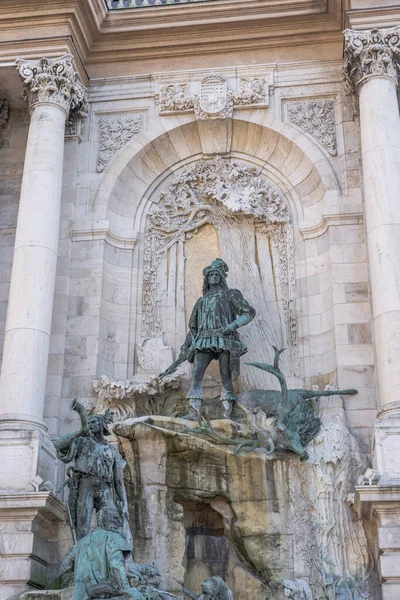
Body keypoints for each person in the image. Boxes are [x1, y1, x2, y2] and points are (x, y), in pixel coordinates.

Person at [161, 258, 255, 420]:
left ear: (221, 277)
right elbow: (194, 329)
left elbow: (248, 312)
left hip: (224, 339)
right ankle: (193, 410)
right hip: (204, 340)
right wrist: (185, 348)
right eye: (210, 275)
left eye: (216, 274)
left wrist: (232, 326)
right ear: (206, 279)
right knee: (197, 373)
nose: (213, 277)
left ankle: (228, 409)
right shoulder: (201, 301)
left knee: (226, 374)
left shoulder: (230, 294)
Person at [54, 400, 132, 546]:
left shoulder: (112, 450)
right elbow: (57, 446)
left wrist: (125, 504)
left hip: (105, 488)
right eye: (89, 422)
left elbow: (118, 481)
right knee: (82, 527)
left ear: (102, 426)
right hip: (86, 485)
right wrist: (80, 432)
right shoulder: (81, 442)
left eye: (94, 422)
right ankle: (80, 561)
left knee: (113, 526)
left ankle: (109, 559)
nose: (91, 424)